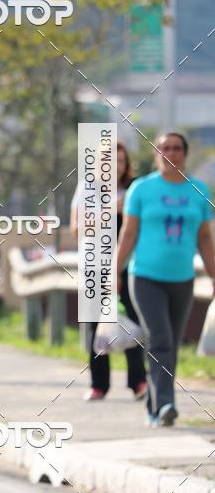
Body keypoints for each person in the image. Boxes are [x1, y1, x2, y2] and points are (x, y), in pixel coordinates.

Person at [117, 132, 215, 426]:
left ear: (184, 154)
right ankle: (166, 404)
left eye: (176, 149)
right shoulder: (141, 189)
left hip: (182, 279)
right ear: (156, 154)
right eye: (164, 149)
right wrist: (114, 272)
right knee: (160, 338)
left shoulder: (199, 190)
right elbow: (129, 233)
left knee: (170, 341)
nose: (170, 153)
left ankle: (153, 406)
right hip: (145, 277)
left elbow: (205, 239)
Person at [70, 141, 147, 401]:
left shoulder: (135, 189)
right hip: (95, 265)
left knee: (131, 321)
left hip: (128, 266)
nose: (117, 166)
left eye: (122, 161)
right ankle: (98, 384)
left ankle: (138, 382)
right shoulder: (87, 189)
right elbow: (78, 229)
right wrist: (111, 209)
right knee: (96, 326)